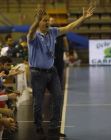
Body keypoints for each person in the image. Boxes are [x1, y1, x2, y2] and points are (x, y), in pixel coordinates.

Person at [27, 7, 95, 139]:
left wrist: (83, 18)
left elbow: (69, 27)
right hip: (37, 74)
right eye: (44, 20)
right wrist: (36, 21)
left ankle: (53, 128)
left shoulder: (52, 32)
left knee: (58, 98)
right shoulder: (34, 36)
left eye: (47, 20)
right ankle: (39, 129)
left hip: (51, 72)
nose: (47, 22)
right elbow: (31, 32)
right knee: (38, 103)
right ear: (38, 22)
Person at [49, 17, 69, 89]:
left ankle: (59, 83)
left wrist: (67, 50)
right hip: (51, 54)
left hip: (59, 53)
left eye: (54, 20)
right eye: (51, 21)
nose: (53, 22)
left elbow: (65, 40)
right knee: (52, 69)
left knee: (60, 68)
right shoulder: (47, 31)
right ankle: (53, 84)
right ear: (49, 22)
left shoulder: (59, 30)